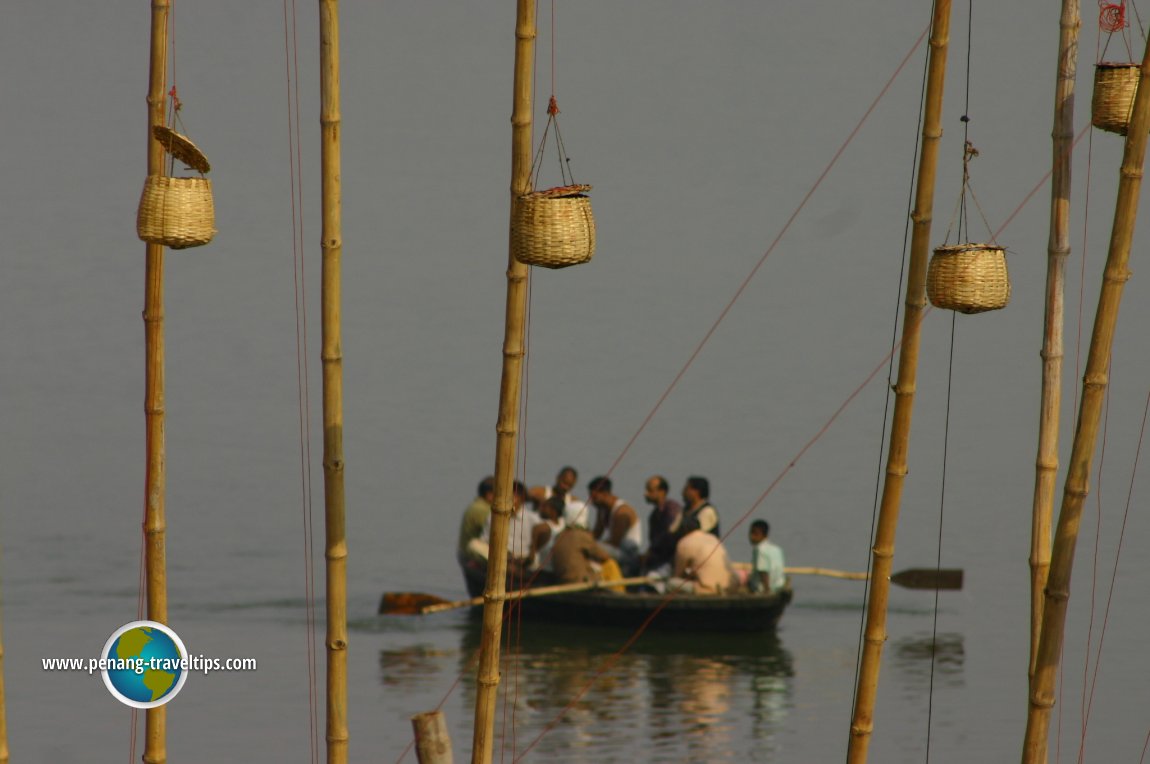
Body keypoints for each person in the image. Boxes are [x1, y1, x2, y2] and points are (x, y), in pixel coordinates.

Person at [481, 481, 542, 579]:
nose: (509, 501)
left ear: (521, 499)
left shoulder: (533, 519)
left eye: (513, 497)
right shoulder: (493, 518)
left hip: (525, 563)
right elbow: (485, 541)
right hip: (502, 561)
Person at [587, 476, 643, 576]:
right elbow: (596, 534)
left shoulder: (622, 511)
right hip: (615, 550)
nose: (591, 501)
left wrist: (590, 545)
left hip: (628, 555)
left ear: (605, 494)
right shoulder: (601, 510)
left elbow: (615, 542)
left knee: (591, 546)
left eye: (594, 497)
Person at [672, 528, 736, 594]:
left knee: (670, 583)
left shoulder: (684, 542)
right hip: (730, 587)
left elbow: (678, 574)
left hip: (708, 589)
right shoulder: (712, 538)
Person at [642, 475, 682, 575]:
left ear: (662, 492)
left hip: (671, 561)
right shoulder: (654, 515)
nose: (645, 494)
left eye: (650, 490)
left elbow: (670, 536)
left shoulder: (672, 508)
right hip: (658, 559)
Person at [457, 476, 495, 567]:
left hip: (465, 551)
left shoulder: (477, 505)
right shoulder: (483, 510)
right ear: (489, 494)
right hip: (473, 553)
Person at [748, 519, 787, 594]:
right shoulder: (777, 549)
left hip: (763, 588)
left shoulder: (760, 550)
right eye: (751, 533)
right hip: (779, 586)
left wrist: (766, 590)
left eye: (755, 534)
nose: (751, 536)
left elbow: (763, 571)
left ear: (764, 535)